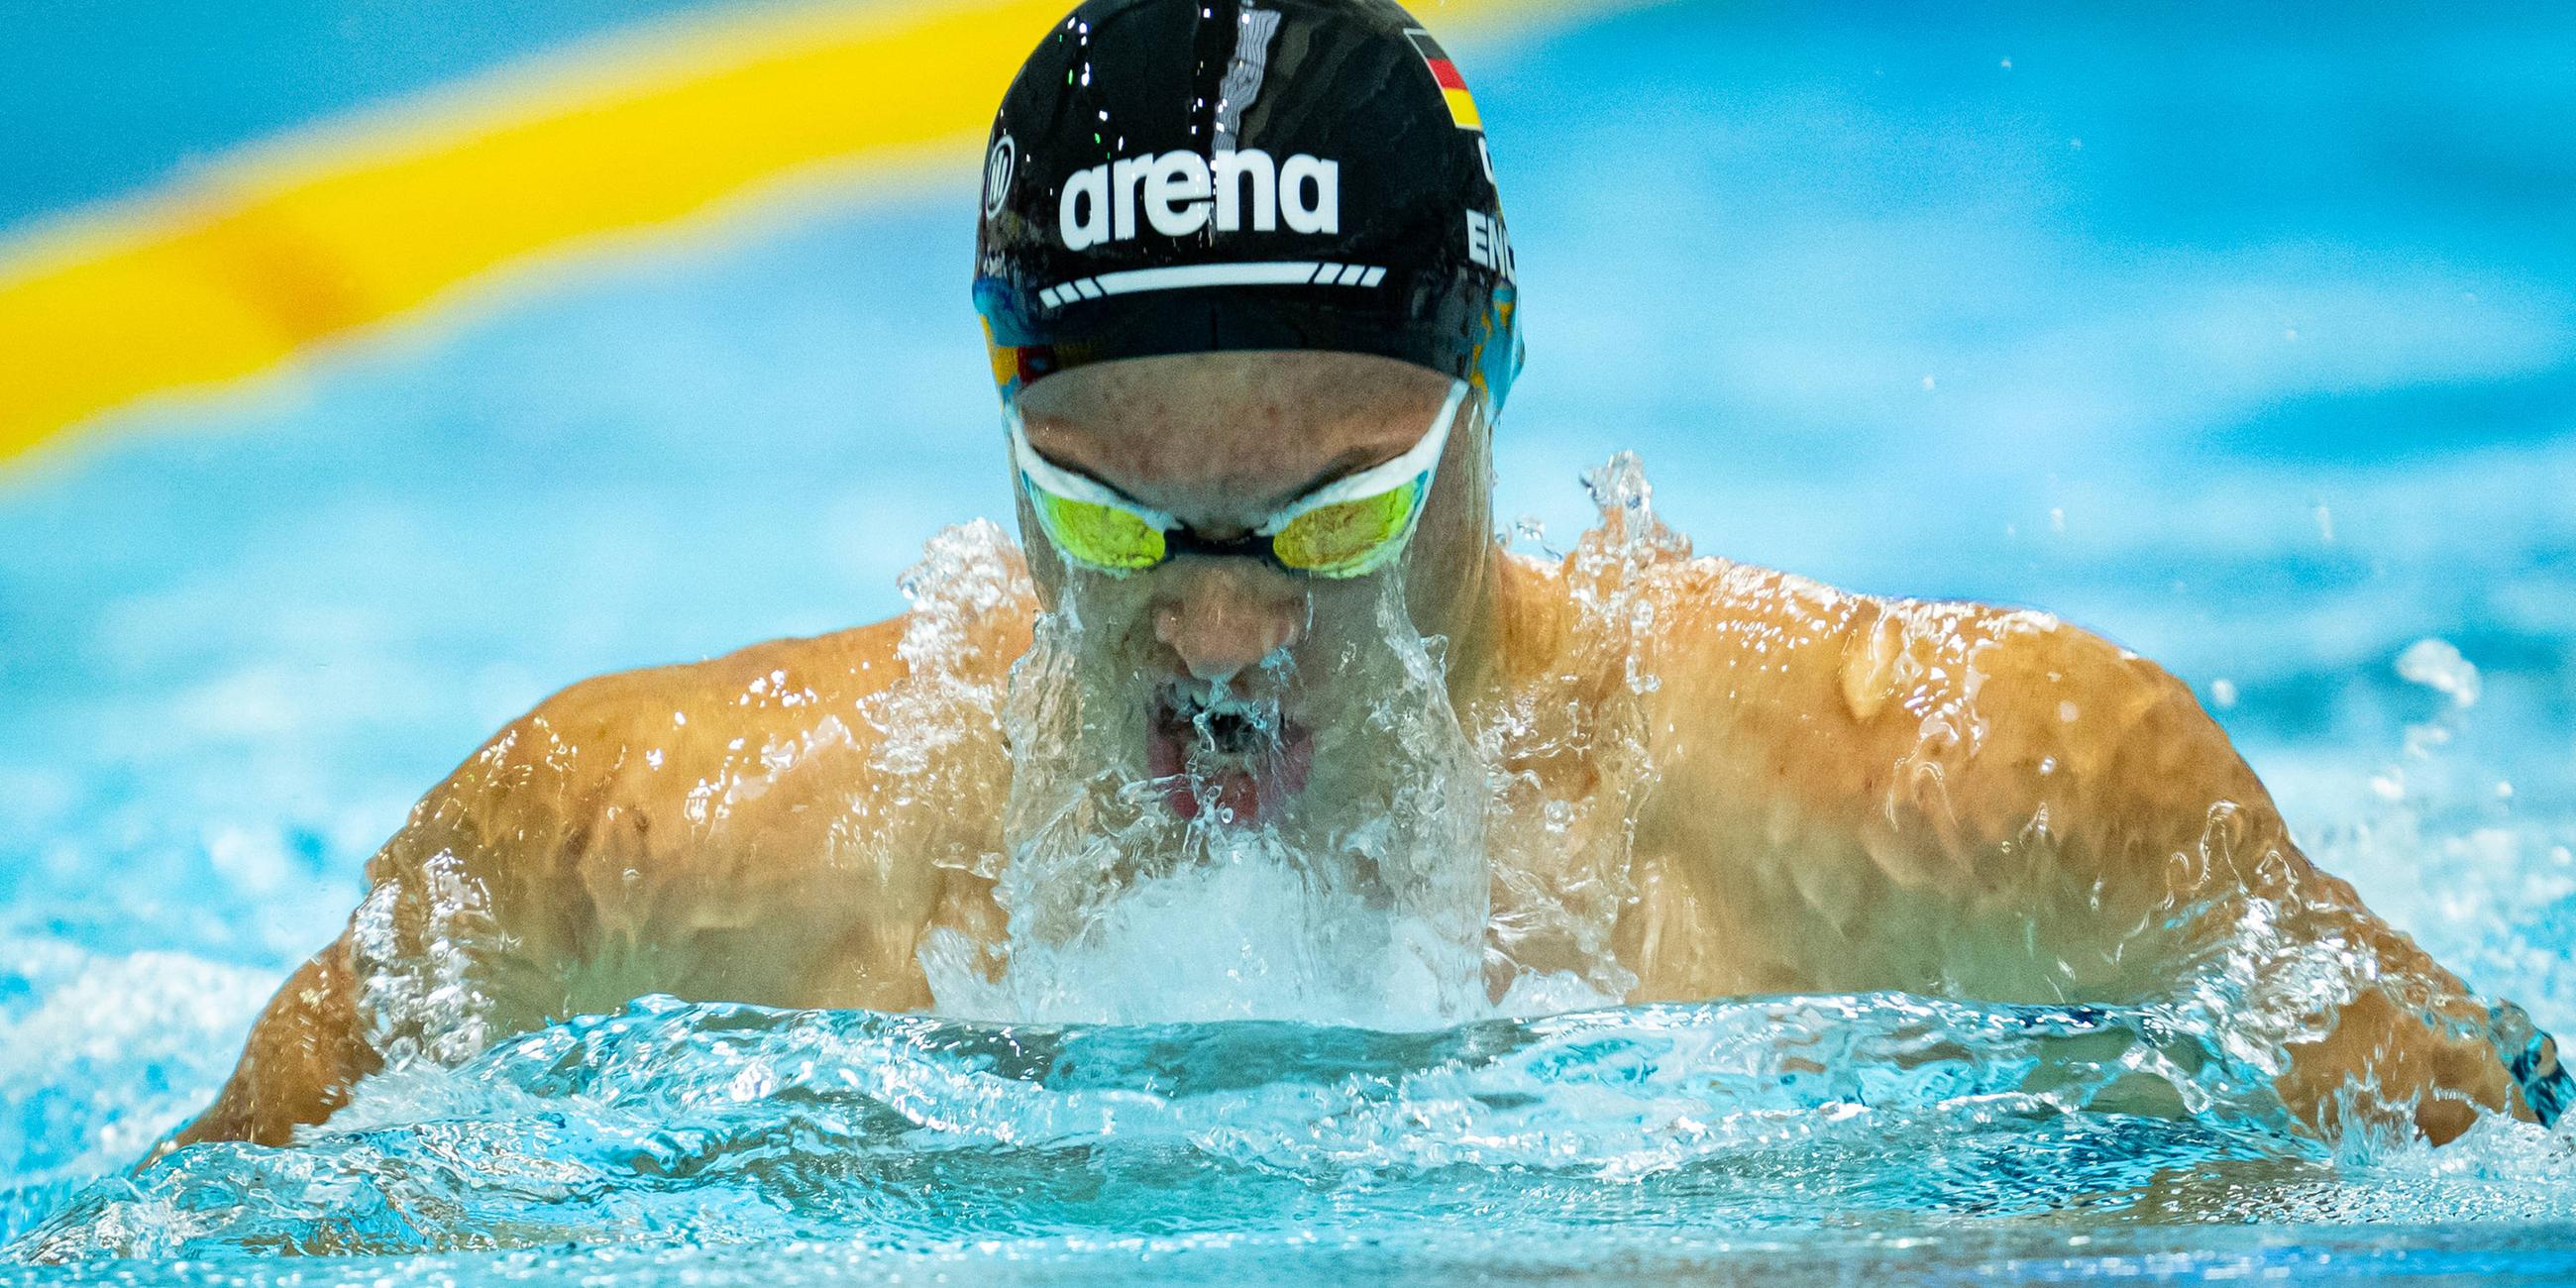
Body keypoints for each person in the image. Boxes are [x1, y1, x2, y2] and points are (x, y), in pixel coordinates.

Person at [172, 0, 2561, 1156]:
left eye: (1329, 514)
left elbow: (2456, 1168)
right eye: (1105, 514)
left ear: (1488, 382)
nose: (1216, 632)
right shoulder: (620, 854)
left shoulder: (1973, 802)